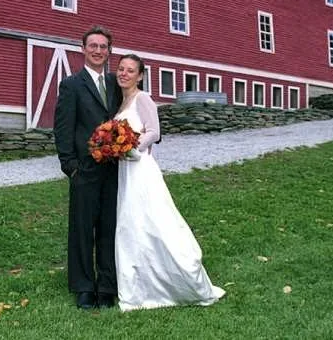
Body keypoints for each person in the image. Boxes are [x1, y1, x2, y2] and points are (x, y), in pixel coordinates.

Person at [114, 53, 225, 312]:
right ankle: (138, 287)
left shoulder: (143, 98)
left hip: (140, 168)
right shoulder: (122, 103)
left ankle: (180, 279)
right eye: (121, 69)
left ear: (140, 75)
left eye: (130, 70)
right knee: (132, 226)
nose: (124, 73)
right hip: (124, 173)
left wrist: (129, 148)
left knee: (155, 222)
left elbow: (154, 132)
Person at [54, 26, 122, 310]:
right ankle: (84, 287)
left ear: (109, 51)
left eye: (103, 46)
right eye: (93, 45)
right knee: (82, 229)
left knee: (110, 228)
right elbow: (63, 127)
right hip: (84, 169)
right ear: (83, 49)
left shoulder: (117, 83)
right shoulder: (72, 85)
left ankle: (107, 286)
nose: (98, 51)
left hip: (116, 170)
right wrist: (70, 166)